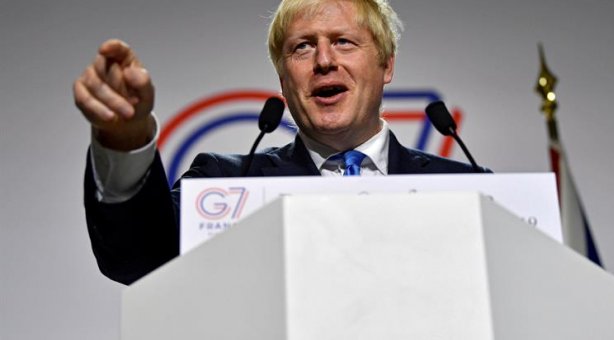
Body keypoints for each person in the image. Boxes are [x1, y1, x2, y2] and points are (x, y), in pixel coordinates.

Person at [74, 0, 486, 285]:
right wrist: (124, 141)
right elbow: (137, 259)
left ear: (386, 63)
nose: (324, 60)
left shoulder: (469, 189)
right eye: (302, 47)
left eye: (343, 41)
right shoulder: (228, 183)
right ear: (283, 80)